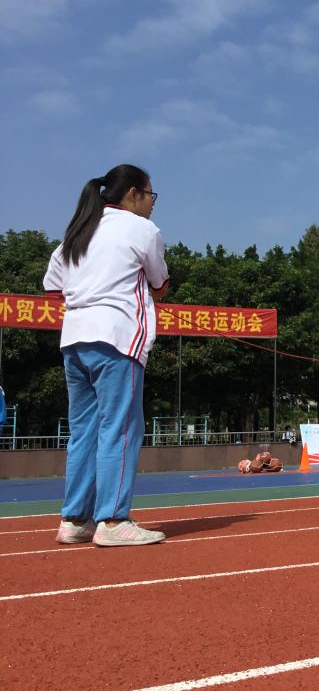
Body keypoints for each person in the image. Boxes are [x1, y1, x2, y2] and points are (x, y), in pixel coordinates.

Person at [43, 165, 169, 546]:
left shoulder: (77, 233)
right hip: (117, 339)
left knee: (84, 430)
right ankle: (113, 520)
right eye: (150, 195)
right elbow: (160, 284)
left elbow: (53, 289)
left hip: (75, 341)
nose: (152, 203)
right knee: (121, 427)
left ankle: (74, 519)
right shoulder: (142, 230)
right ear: (133, 194)